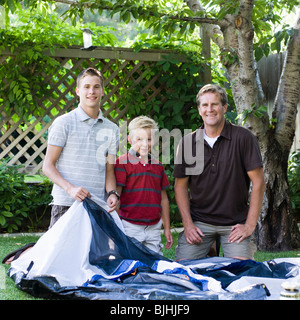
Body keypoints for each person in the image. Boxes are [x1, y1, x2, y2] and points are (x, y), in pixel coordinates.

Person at [174, 84, 266, 260]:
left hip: (234, 224)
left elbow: (259, 182)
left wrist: (249, 225)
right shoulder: (187, 142)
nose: (210, 109)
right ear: (199, 109)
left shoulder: (244, 138)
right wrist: (188, 225)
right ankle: (210, 250)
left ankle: (215, 249)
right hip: (200, 222)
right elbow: (180, 187)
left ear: (224, 107)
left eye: (215, 104)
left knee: (241, 272)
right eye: (205, 105)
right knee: (182, 270)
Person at [43, 67, 120, 228]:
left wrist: (112, 193)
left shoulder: (112, 129)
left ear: (103, 91)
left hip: (97, 205)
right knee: (60, 253)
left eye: (96, 87)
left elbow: (109, 170)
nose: (91, 91)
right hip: (66, 203)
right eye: (86, 87)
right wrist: (70, 189)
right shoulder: (63, 123)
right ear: (78, 91)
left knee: (95, 254)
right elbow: (48, 166)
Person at [114, 116, 173, 254]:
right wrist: (115, 227)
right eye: (139, 139)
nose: (145, 144)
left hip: (153, 226)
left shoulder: (158, 166)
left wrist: (167, 227)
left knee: (154, 262)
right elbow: (116, 196)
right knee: (131, 262)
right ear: (130, 140)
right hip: (129, 225)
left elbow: (163, 199)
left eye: (149, 139)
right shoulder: (122, 163)